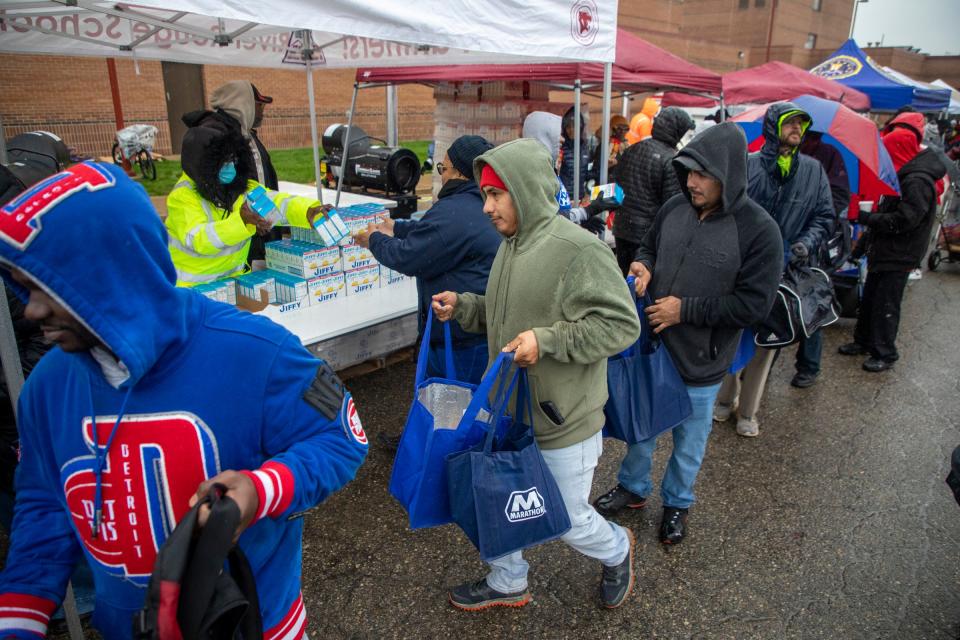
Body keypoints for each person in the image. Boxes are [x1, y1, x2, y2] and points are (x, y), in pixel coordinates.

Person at [0, 162, 368, 639]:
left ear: (105, 277)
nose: (30, 311)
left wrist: (261, 490)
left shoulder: (258, 351)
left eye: (45, 290)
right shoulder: (48, 387)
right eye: (24, 287)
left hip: (255, 624)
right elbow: (44, 508)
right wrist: (17, 622)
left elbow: (341, 437)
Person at [432, 138, 642, 611]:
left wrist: (546, 342)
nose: (486, 207)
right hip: (509, 411)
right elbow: (510, 315)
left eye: (495, 195)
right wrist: (464, 307)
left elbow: (621, 326)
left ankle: (618, 548)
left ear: (524, 190)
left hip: (562, 419)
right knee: (498, 496)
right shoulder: (511, 244)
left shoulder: (579, 250)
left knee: (565, 517)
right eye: (484, 195)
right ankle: (507, 581)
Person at [592, 123, 782, 544]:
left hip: (703, 361)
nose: (692, 182)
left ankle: (677, 502)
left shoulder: (760, 230)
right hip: (654, 347)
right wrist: (642, 266)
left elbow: (755, 305)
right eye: (688, 172)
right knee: (642, 428)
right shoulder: (675, 206)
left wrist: (686, 310)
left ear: (728, 176)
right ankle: (634, 488)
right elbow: (649, 246)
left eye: (702, 174)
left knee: (688, 443)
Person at [713, 103, 834, 438]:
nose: (796, 128)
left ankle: (748, 411)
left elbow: (825, 215)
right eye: (789, 122)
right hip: (742, 269)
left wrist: (805, 244)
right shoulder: (748, 166)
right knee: (732, 334)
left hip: (785, 272)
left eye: (800, 123)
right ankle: (724, 399)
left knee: (768, 343)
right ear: (772, 126)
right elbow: (727, 211)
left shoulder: (813, 170)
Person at [354, 135, 501, 389]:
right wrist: (396, 227)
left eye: (443, 169)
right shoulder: (480, 204)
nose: (441, 176)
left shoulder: (455, 209)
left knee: (451, 410)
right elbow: (437, 233)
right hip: (478, 330)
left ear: (460, 173)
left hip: (459, 341)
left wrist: (374, 239)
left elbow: (408, 257)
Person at [838, 112, 947, 372]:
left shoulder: (916, 180)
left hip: (900, 254)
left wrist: (865, 217)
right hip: (886, 250)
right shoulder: (903, 176)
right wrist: (863, 245)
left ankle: (885, 352)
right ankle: (863, 341)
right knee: (872, 298)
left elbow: (904, 220)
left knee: (886, 303)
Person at [166, 119, 327, 287]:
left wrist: (307, 211)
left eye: (232, 160)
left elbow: (277, 203)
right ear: (204, 166)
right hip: (191, 290)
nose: (230, 168)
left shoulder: (238, 186)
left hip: (231, 282)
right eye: (223, 163)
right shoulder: (182, 197)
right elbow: (199, 239)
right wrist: (241, 222)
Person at [184, 81, 279, 266]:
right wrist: (243, 222)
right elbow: (218, 191)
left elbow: (263, 186)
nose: (262, 111)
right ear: (244, 104)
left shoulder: (246, 135)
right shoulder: (216, 137)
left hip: (257, 228)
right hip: (237, 239)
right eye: (259, 105)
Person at [612, 107, 695, 276]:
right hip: (647, 236)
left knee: (624, 277)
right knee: (642, 282)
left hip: (622, 228)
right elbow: (672, 206)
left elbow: (618, 181)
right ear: (677, 131)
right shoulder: (671, 160)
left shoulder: (632, 149)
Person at [522, 111, 618, 235]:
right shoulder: (534, 174)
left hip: (563, 230)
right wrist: (585, 212)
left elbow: (558, 208)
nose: (562, 138)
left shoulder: (549, 169)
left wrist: (579, 219)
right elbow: (546, 218)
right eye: (558, 133)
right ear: (543, 137)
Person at [800, 131, 852, 270]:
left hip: (814, 234)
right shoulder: (780, 154)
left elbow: (839, 195)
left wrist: (817, 217)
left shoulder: (829, 154)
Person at [558, 106, 591, 203]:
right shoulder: (561, 146)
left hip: (580, 198)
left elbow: (585, 174)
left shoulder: (584, 147)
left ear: (581, 127)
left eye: (575, 126)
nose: (571, 130)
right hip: (564, 199)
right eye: (568, 126)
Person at [589, 114, 630, 184]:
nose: (623, 132)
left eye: (626, 128)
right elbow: (595, 170)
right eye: (619, 128)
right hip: (605, 186)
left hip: (620, 186)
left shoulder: (626, 145)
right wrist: (606, 167)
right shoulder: (605, 145)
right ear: (612, 129)